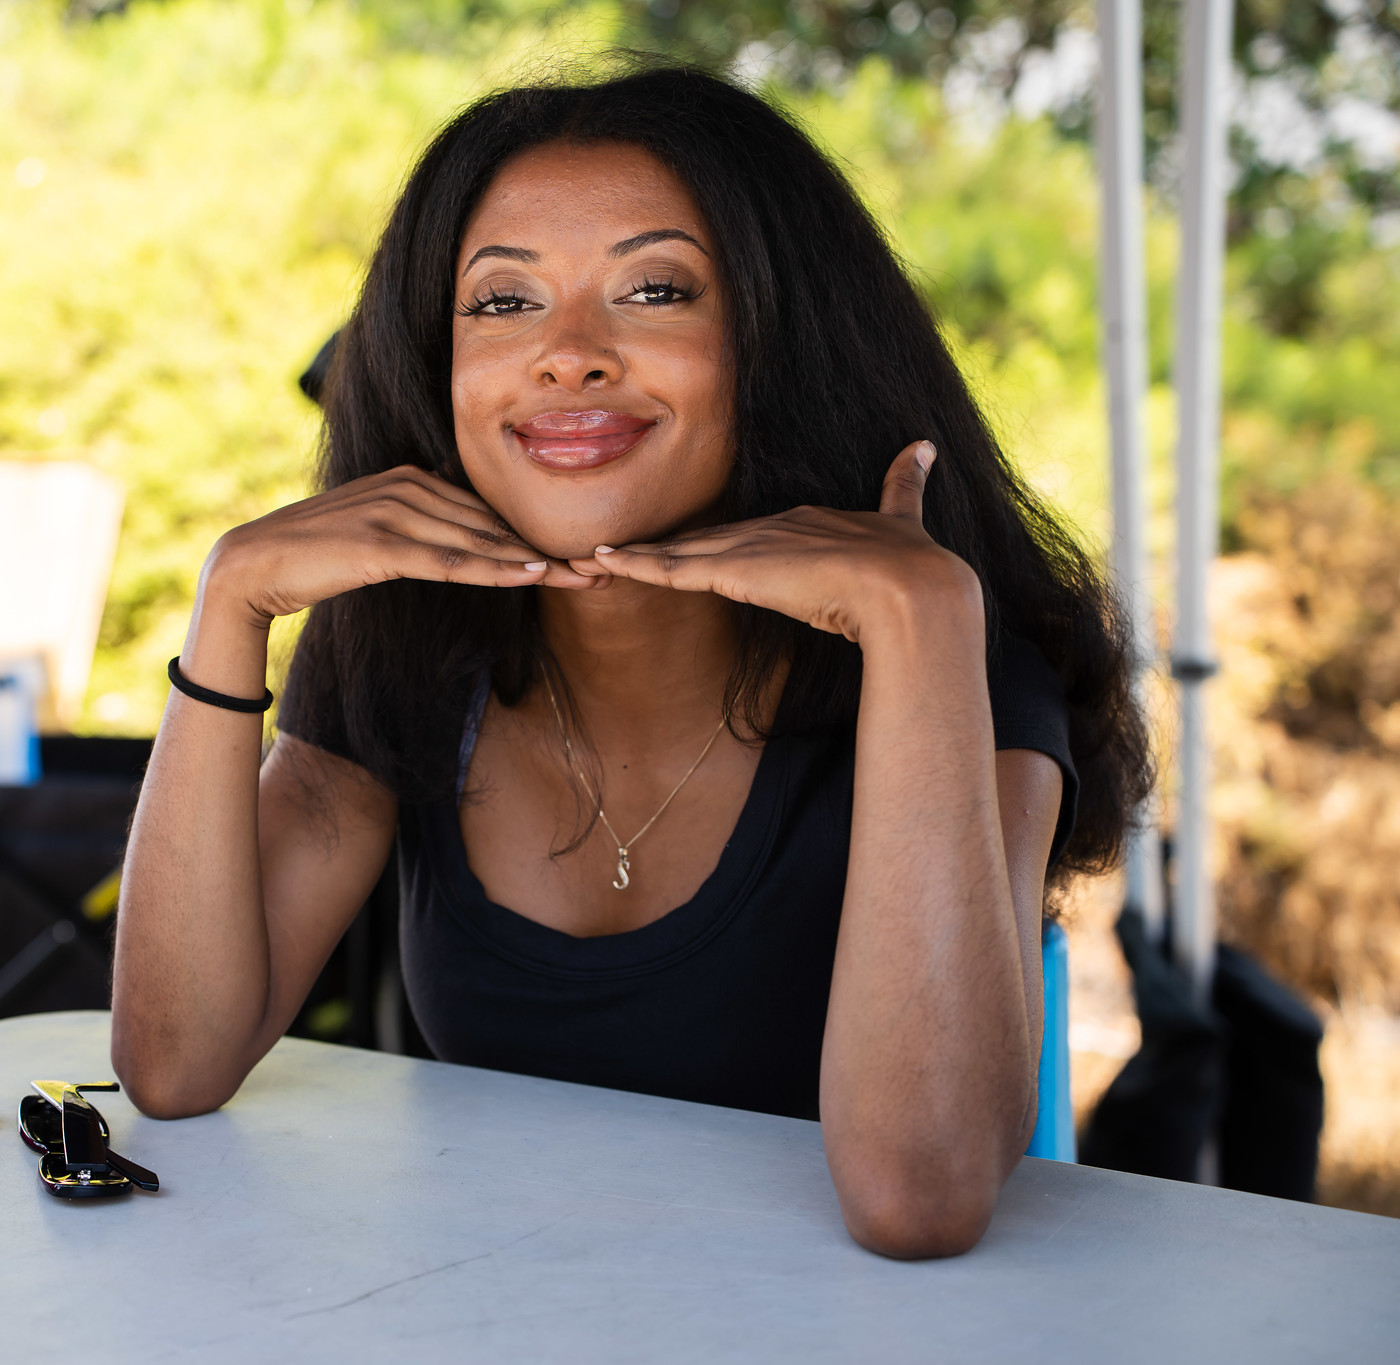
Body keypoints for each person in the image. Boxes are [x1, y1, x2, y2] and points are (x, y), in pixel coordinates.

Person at [111, 63, 1151, 1259]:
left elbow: (917, 1200)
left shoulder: (955, 661)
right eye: (501, 303)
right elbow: (173, 1065)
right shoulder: (405, 641)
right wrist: (228, 605)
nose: (567, 355)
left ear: (778, 344)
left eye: (653, 290)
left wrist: (920, 627)